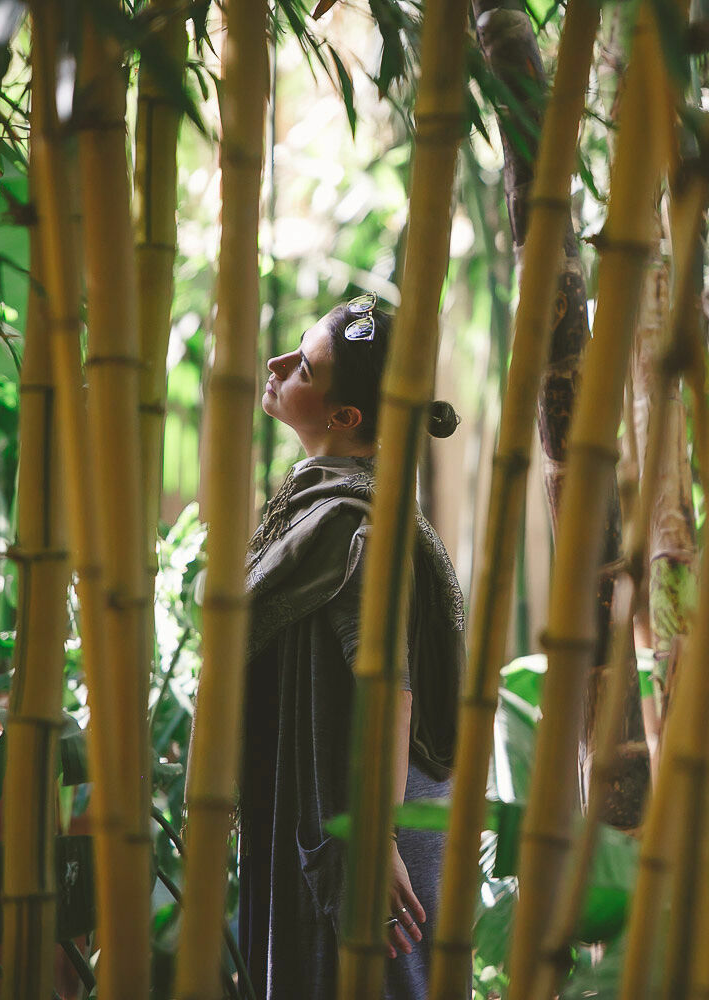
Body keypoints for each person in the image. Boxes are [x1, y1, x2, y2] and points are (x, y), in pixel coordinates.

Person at [238, 292, 464, 1000]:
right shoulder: (333, 504)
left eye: (302, 366)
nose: (277, 364)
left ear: (344, 418)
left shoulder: (353, 525)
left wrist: (377, 841)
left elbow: (390, 694)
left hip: (376, 816)